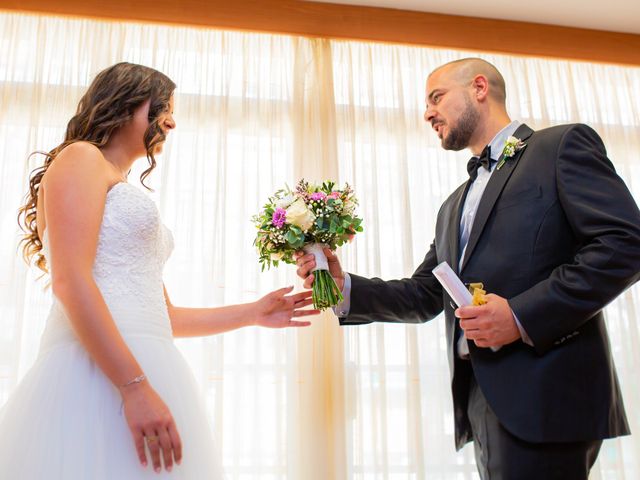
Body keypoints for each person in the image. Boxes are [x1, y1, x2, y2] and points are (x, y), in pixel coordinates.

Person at [296, 58, 640, 479]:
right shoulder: (451, 206)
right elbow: (423, 295)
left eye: (436, 97)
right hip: (483, 402)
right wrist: (341, 285)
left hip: (547, 395)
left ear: (479, 87)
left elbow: (625, 244)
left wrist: (519, 316)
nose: (427, 113)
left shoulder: (561, 146)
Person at [0, 62, 317, 479]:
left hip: (147, 362)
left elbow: (162, 317)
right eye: (161, 105)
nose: (170, 119)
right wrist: (133, 388)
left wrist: (254, 312)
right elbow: (70, 280)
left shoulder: (117, 181)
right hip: (96, 374)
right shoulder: (81, 159)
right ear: (123, 101)